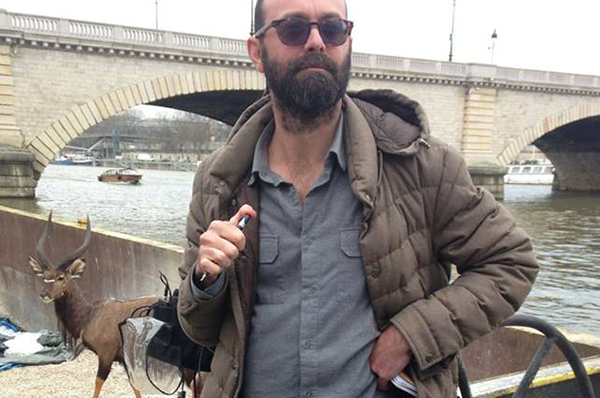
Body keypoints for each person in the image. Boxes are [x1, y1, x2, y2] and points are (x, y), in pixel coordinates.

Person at [177, 0, 539, 397]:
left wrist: (411, 335)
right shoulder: (218, 182)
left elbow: (511, 263)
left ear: (348, 42)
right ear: (256, 52)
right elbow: (200, 329)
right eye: (293, 30)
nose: (316, 42)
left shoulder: (422, 166)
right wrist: (204, 280)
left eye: (333, 29)